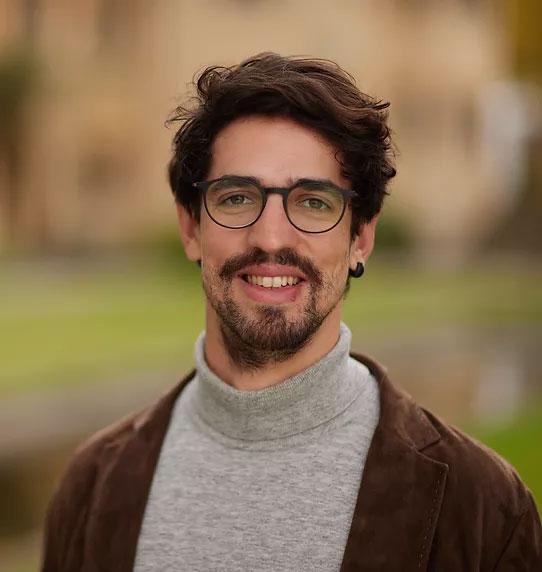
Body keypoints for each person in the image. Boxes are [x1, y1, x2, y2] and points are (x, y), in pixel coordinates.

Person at [41, 53, 541, 572]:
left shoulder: (483, 508)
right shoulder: (93, 488)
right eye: (236, 198)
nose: (271, 238)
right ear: (191, 228)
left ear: (360, 238)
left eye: (312, 202)